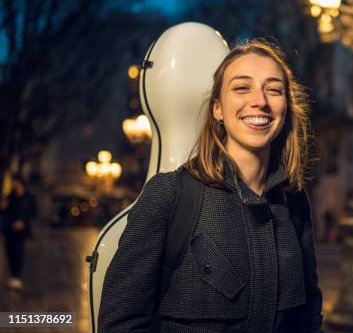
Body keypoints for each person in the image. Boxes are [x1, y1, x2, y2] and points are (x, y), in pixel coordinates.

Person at [99, 39, 323, 332]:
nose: (260, 100)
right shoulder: (169, 194)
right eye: (242, 88)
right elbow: (120, 324)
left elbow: (308, 320)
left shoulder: (294, 202)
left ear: (286, 108)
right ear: (217, 108)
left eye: (273, 89)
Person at [1, 175, 37, 291]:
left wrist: (23, 222)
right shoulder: (10, 197)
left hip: (21, 231)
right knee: (9, 252)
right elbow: (4, 212)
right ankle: (13, 277)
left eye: (14, 182)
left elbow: (33, 212)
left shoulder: (29, 197)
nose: (13, 185)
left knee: (18, 252)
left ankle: (17, 277)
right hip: (8, 229)